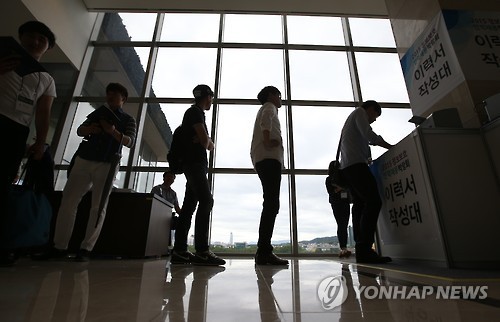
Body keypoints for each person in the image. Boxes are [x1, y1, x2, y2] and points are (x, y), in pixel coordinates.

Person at [34, 82, 136, 262]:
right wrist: (92, 129)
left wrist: (112, 132)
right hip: (84, 158)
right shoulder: (97, 114)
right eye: (109, 93)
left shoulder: (128, 120)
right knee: (68, 201)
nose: (110, 96)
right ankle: (59, 246)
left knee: (98, 206)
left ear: (123, 99)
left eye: (115, 94)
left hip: (108, 162)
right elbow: (81, 130)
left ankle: (86, 248)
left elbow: (130, 142)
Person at [0, 21, 56, 266]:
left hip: (17, 130)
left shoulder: (46, 78)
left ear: (47, 48)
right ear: (20, 38)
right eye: (31, 37)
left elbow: (43, 114)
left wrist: (41, 143)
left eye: (42, 41)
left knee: (5, 182)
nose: (36, 43)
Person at [170, 84, 225, 266]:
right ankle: (202, 251)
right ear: (208, 96)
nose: (211, 101)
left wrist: (205, 141)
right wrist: (209, 142)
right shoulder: (195, 112)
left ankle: (180, 250)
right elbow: (206, 142)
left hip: (191, 164)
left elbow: (203, 140)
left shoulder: (192, 113)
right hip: (195, 164)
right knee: (206, 201)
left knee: (189, 206)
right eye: (211, 97)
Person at [339, 100, 393, 264]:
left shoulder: (351, 118)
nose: (374, 119)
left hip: (348, 167)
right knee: (374, 202)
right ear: (369, 109)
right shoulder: (360, 113)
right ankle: (364, 248)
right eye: (375, 115)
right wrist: (390, 146)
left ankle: (362, 249)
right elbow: (368, 134)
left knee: (360, 205)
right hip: (356, 165)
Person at [250, 86, 288, 266]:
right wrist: (267, 140)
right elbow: (266, 119)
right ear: (271, 95)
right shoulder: (269, 106)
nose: (280, 99)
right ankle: (264, 251)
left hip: (264, 159)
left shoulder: (266, 108)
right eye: (279, 95)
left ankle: (263, 250)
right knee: (272, 203)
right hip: (268, 159)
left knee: (271, 203)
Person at [325, 161, 352, 258]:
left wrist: (338, 188)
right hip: (339, 203)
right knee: (342, 224)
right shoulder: (330, 179)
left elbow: (333, 191)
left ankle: (343, 248)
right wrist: (341, 188)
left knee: (342, 224)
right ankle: (343, 248)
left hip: (340, 203)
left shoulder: (331, 180)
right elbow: (332, 192)